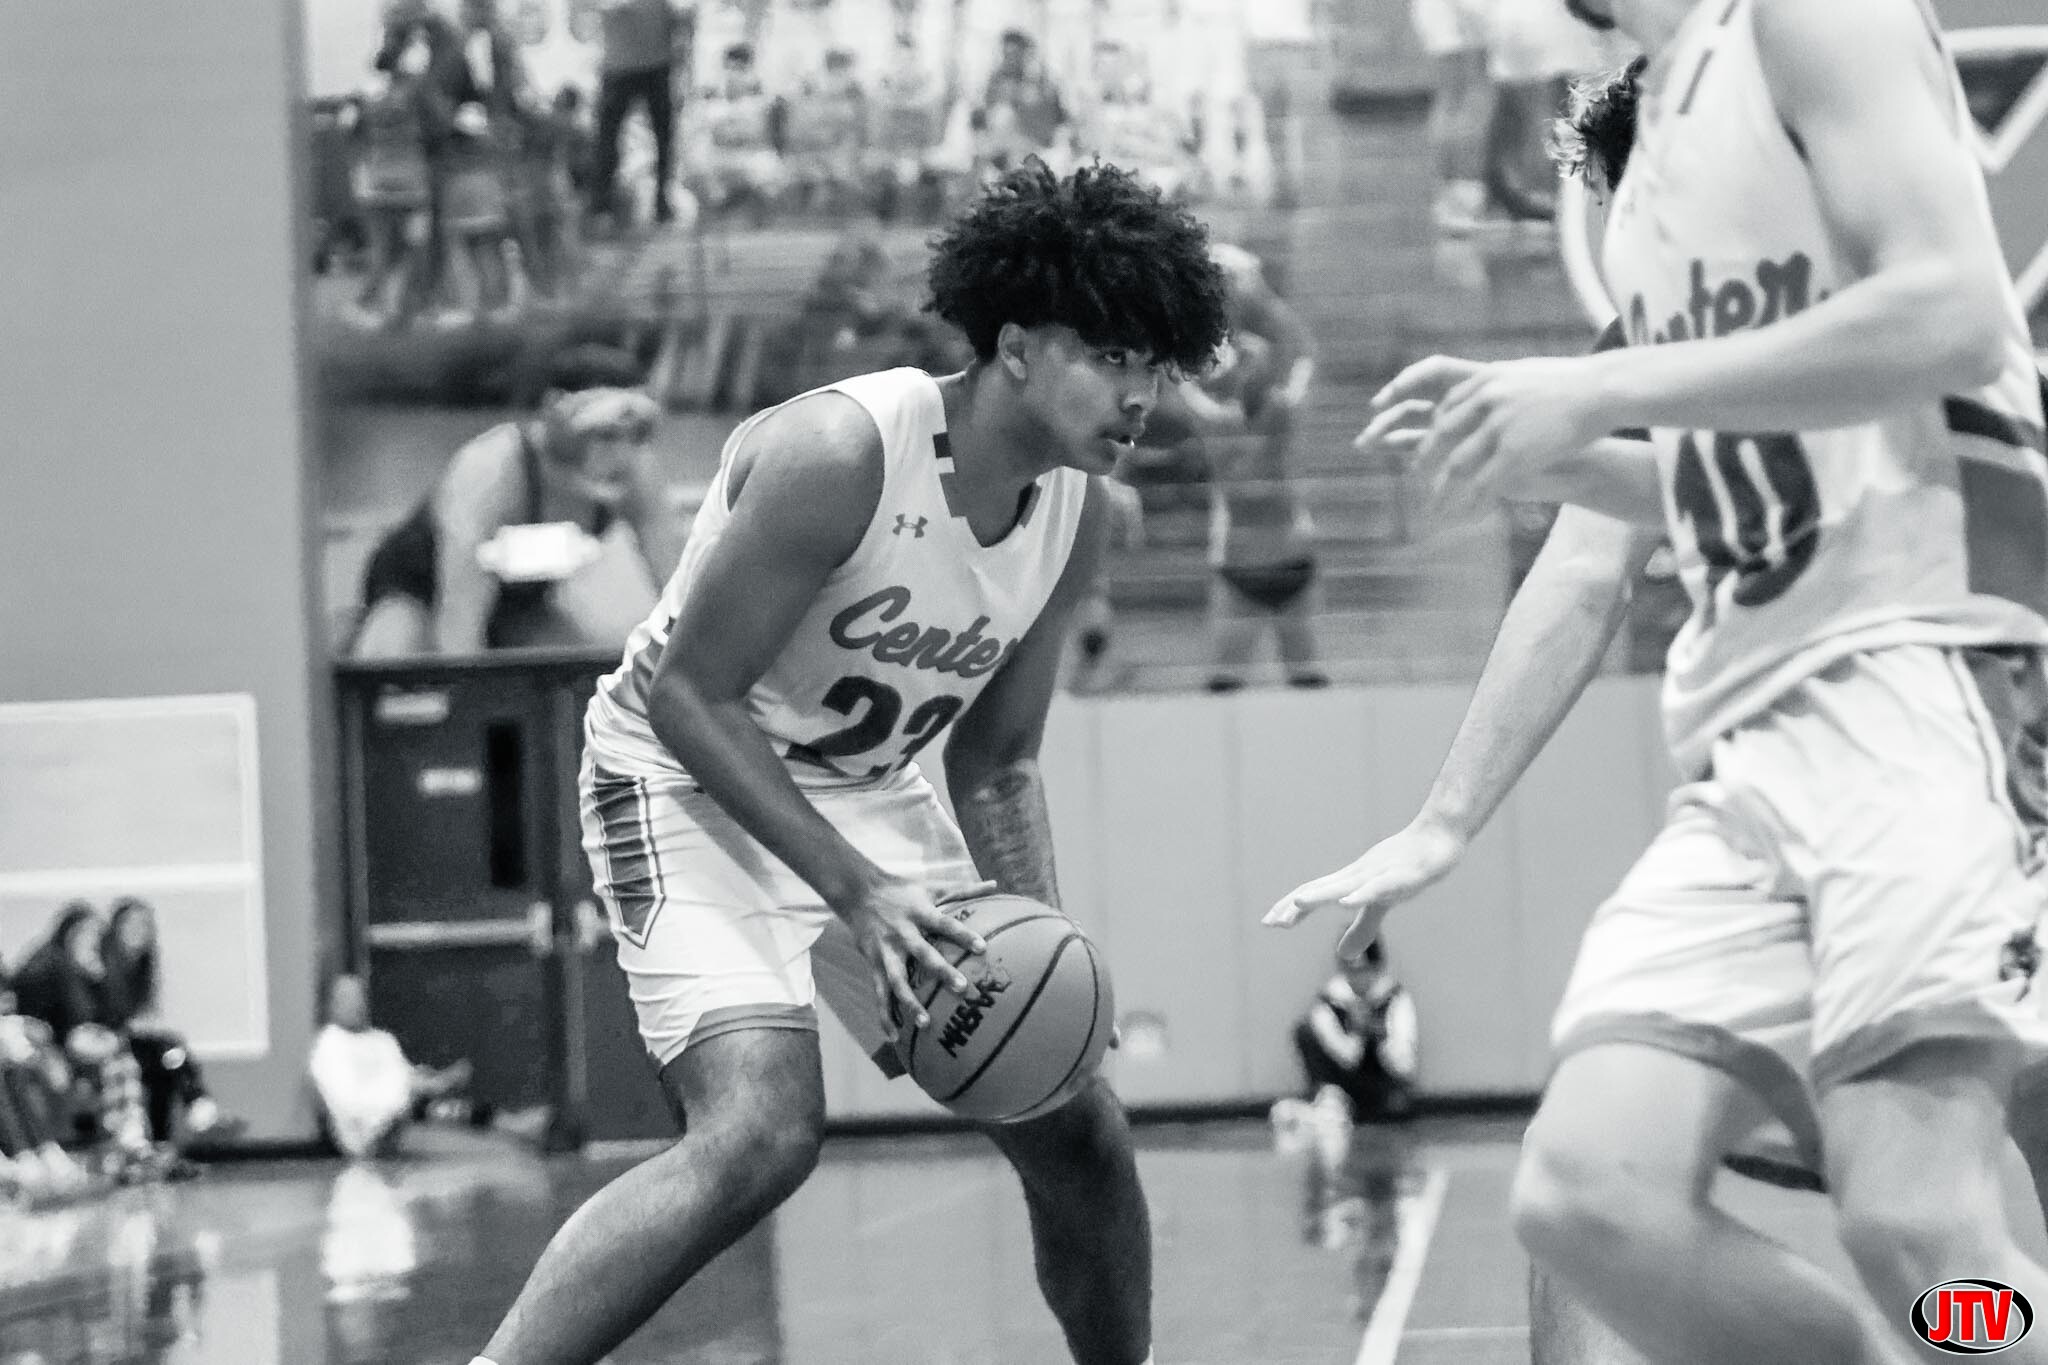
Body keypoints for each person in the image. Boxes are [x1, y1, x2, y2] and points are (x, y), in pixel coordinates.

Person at [1277, 0, 2048, 1358]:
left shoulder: (1805, 19)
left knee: (1917, 1219)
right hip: (1756, 733)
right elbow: (1653, 526)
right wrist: (1557, 449)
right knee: (1588, 1194)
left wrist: (1584, 401)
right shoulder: (1653, 167)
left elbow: (1953, 315)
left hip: (1927, 671)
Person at [465, 161, 1230, 1365]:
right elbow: (688, 696)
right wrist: (859, 892)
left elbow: (996, 758)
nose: (1141, 393)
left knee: (1078, 1125)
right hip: (681, 777)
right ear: (1016, 347)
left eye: (1158, 363)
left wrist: (1044, 948)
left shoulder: (1078, 509)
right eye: (1113, 356)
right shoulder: (842, 451)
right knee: (760, 1134)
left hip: (861, 792)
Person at [349, 344, 685, 658]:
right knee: (388, 660)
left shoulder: (636, 473)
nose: (622, 454)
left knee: (577, 675)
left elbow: (680, 589)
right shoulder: (492, 470)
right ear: (553, 413)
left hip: (520, 605)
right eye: (604, 434)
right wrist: (465, 683)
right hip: (421, 591)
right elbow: (459, 618)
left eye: (639, 434)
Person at [100, 898, 240, 1147]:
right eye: (132, 924)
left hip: (135, 1045)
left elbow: (140, 1016)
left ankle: (162, 1140)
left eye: (146, 925)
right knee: (168, 1049)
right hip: (110, 1044)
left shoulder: (141, 968)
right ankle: (197, 1104)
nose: (140, 931)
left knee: (167, 1062)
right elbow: (109, 1018)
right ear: (116, 928)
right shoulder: (104, 966)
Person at [309, 975, 473, 1160]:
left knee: (467, 1143)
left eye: (359, 997)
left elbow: (406, 1075)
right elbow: (348, 1104)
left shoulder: (383, 1041)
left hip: (405, 1126)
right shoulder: (328, 1045)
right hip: (364, 1136)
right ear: (332, 1004)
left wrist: (422, 1081)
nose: (355, 1004)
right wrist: (406, 1088)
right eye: (346, 998)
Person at [1288, 941, 1419, 1123]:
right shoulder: (1328, 1004)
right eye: (1352, 971)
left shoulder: (1395, 1000)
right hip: (1342, 1083)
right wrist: (1357, 1031)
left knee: (1398, 1105)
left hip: (1381, 1081)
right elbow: (1348, 1058)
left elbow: (1405, 1066)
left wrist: (1380, 1035)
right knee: (1304, 1031)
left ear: (1377, 968)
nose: (1359, 979)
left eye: (1365, 970)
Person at [590, 0, 693, 227]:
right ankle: (602, 203)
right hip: (621, 66)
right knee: (608, 138)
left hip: (654, 64)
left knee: (663, 137)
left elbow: (681, 17)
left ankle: (662, 202)